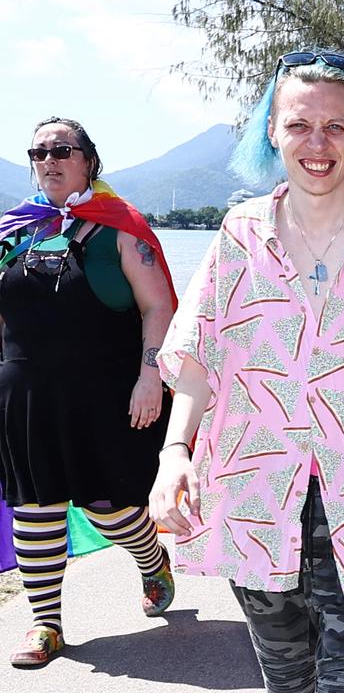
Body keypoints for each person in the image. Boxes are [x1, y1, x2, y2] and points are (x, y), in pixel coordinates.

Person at [149, 50, 344, 693]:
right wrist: (174, 451)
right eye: (298, 125)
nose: (317, 144)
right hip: (256, 489)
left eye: (336, 127)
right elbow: (201, 351)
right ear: (272, 131)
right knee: (286, 677)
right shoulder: (239, 234)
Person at [0, 117, 179, 666]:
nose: (49, 159)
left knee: (113, 511)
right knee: (35, 507)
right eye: (38, 151)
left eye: (62, 149)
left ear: (88, 160)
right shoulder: (12, 231)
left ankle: (152, 561)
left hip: (106, 391)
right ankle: (46, 624)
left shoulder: (120, 226)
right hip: (24, 392)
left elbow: (159, 307)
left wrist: (151, 376)